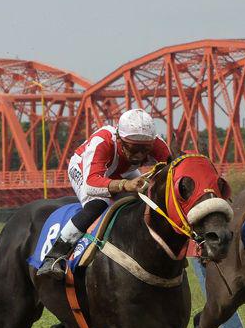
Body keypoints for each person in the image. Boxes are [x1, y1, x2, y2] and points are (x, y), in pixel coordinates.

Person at [37, 108, 171, 279]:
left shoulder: (157, 144)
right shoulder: (102, 142)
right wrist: (125, 185)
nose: (139, 155)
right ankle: (54, 256)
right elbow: (91, 184)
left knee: (147, 200)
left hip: (122, 172)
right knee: (97, 205)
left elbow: (172, 171)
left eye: (145, 149)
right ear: (119, 138)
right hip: (85, 171)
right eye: (133, 148)